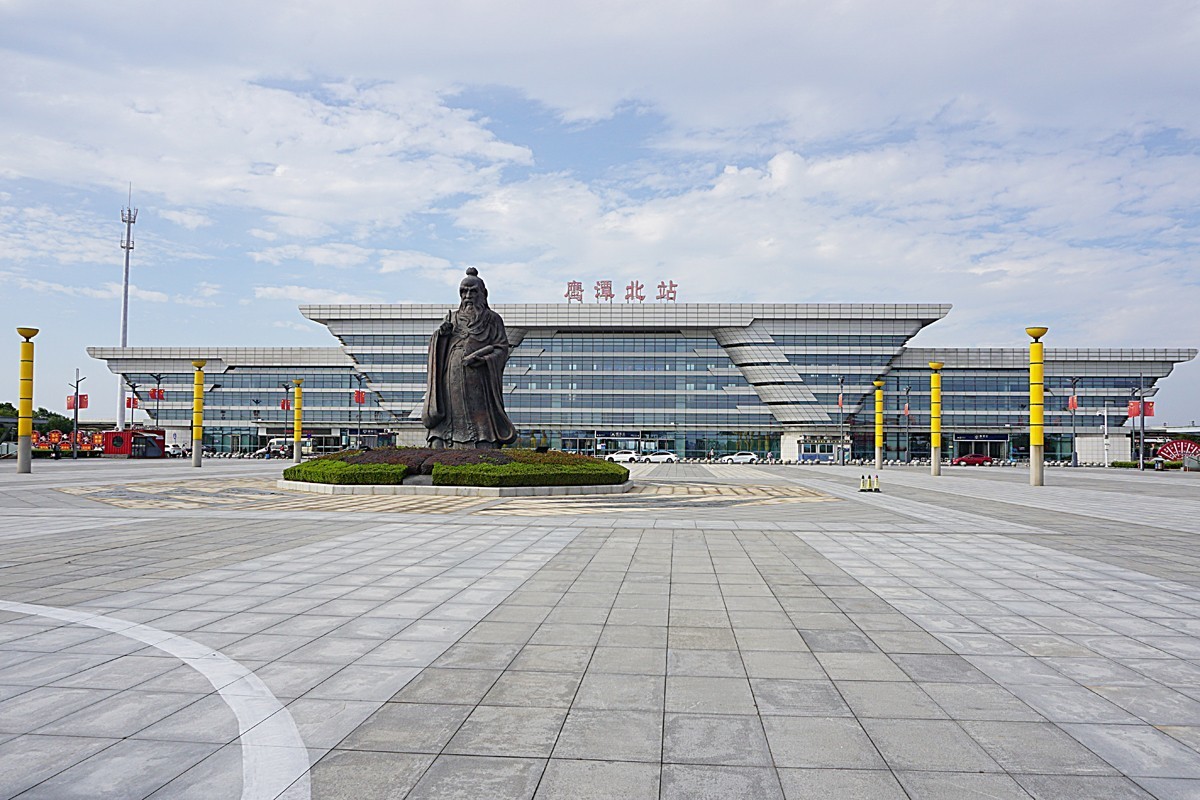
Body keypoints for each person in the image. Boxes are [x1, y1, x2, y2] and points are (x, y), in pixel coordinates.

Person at [422, 267, 517, 449]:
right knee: (451, 413)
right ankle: (445, 438)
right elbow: (438, 346)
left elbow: (501, 348)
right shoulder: (453, 318)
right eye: (464, 291)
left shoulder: (492, 319)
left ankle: (482, 438)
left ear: (483, 293)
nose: (468, 296)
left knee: (479, 418)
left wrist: (484, 360)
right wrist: (441, 336)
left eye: (473, 291)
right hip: (451, 378)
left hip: (479, 379)